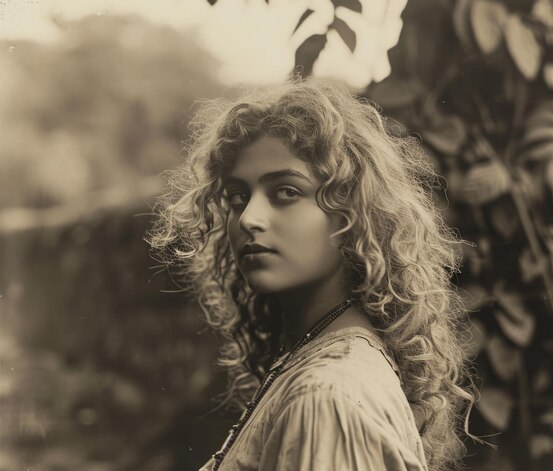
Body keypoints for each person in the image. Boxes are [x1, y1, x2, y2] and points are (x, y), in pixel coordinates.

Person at [148, 75, 475, 471]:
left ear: (351, 213)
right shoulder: (317, 362)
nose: (248, 218)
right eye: (238, 197)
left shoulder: (325, 397)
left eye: (286, 191)